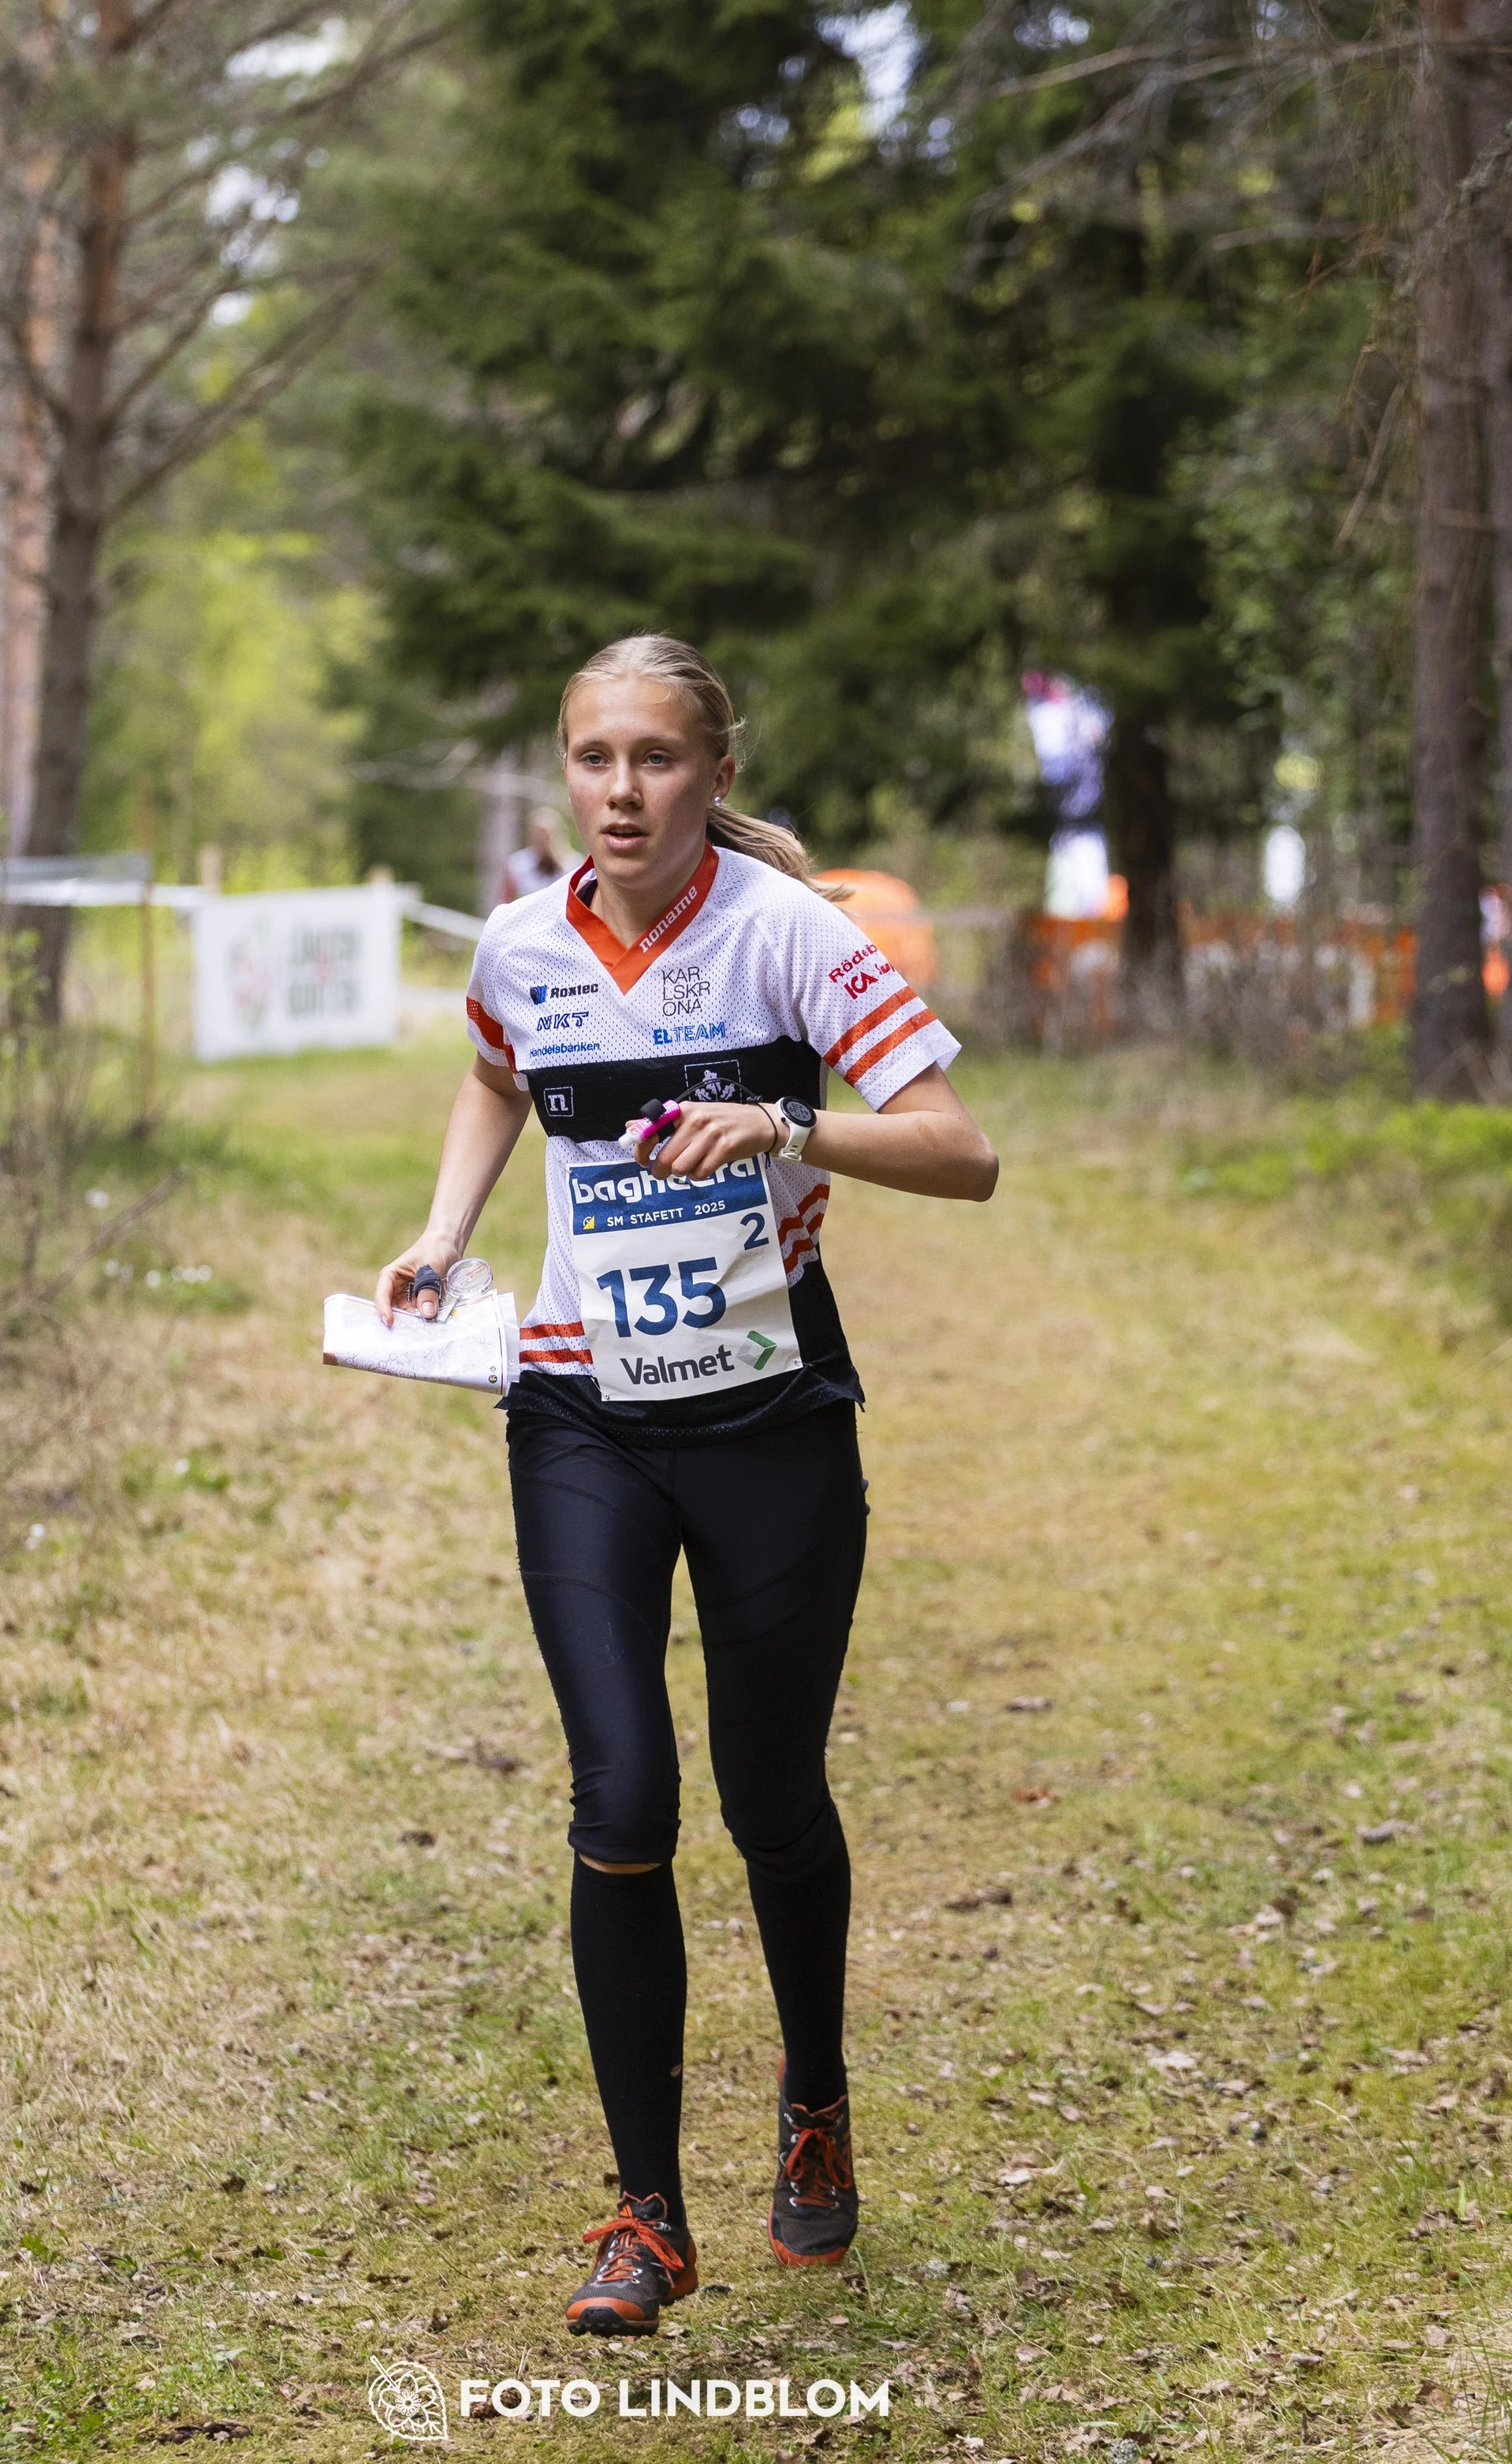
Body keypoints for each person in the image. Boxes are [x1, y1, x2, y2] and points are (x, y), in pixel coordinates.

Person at [374, 634, 998, 2336]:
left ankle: (812, 2091)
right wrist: (443, 1232)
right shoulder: (520, 939)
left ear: (713, 772)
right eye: (593, 756)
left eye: (654, 756)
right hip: (578, 1410)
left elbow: (964, 1148)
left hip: (768, 1420)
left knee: (767, 1789)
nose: (623, 788)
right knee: (620, 1792)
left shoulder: (792, 936)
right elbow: (499, 1071)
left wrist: (785, 1130)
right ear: (564, 772)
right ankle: (645, 2213)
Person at [500, 807, 575, 903]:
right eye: (538, 835)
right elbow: (506, 898)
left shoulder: (572, 864)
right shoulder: (518, 863)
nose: (542, 840)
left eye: (546, 836)